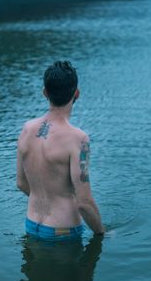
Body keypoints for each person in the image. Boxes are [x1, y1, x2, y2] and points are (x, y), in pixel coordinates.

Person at [16, 60, 105, 239]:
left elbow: (21, 183)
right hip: (63, 231)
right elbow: (84, 203)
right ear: (76, 94)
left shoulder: (26, 129)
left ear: (45, 93)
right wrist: (102, 233)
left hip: (31, 225)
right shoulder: (78, 139)